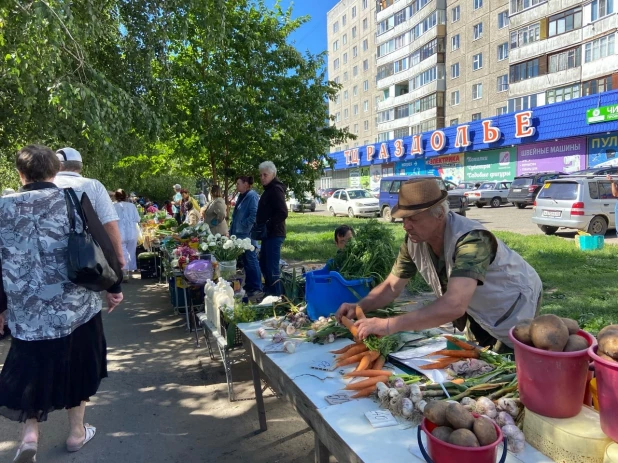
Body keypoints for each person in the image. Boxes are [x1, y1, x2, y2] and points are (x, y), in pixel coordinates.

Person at [0, 145, 123, 462]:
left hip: (27, 311)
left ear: (21, 173)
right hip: (74, 307)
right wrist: (115, 286)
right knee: (78, 365)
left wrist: (1, 307)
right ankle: (76, 433)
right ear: (55, 172)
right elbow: (101, 243)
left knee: (30, 368)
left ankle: (29, 435)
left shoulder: (2, 207)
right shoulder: (72, 199)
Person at [336, 178, 542, 352]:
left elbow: (454, 304)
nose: (406, 226)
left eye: (413, 219)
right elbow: (391, 286)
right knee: (479, 353)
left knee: (510, 362)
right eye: (403, 219)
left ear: (439, 214)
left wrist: (388, 325)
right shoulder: (413, 241)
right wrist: (360, 307)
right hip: (476, 307)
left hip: (512, 305)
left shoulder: (472, 240)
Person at [53, 147, 125, 268]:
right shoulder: (94, 185)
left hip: (52, 256)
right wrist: (118, 256)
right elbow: (109, 224)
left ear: (57, 165)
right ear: (80, 166)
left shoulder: (47, 185)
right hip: (87, 260)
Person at [255, 161, 288, 296]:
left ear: (273, 174)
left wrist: (268, 224)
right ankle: (269, 293)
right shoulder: (269, 189)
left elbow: (283, 212)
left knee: (272, 267)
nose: (262, 177)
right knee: (264, 264)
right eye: (261, 175)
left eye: (265, 175)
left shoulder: (275, 190)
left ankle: (277, 298)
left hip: (274, 234)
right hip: (268, 235)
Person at [229, 175, 263, 297]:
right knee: (246, 261)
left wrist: (244, 226)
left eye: (238, 183)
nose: (236, 186)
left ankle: (257, 286)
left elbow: (254, 214)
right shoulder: (242, 196)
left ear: (246, 184)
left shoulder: (251, 195)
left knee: (251, 260)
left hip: (247, 235)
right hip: (239, 235)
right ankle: (250, 285)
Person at [113, 189, 142, 278]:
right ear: (126, 196)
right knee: (131, 252)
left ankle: (124, 271)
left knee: (122, 252)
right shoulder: (132, 206)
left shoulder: (112, 206)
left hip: (119, 231)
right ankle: (129, 270)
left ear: (116, 197)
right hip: (132, 231)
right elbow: (138, 219)